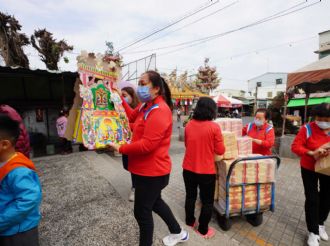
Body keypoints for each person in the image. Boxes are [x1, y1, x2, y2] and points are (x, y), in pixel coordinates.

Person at [110, 71, 188, 246]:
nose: (139, 87)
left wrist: (120, 147)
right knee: (155, 202)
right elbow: (131, 117)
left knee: (142, 212)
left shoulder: (160, 110)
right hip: (143, 170)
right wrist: (118, 98)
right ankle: (178, 232)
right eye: (139, 83)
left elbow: (147, 145)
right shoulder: (145, 106)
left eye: (143, 83)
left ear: (156, 89)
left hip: (152, 172)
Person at [182, 97, 225, 239]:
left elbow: (187, 145)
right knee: (207, 201)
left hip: (188, 168)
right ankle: (203, 229)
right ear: (212, 110)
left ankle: (189, 222)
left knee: (190, 196)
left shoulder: (189, 125)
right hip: (206, 171)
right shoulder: (214, 127)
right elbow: (220, 150)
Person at [0, 114, 42, 246]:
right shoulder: (3, 163)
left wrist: (2, 220)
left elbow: (29, 198)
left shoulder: (18, 171)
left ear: (4, 144)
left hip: (19, 231)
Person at [291, 103, 330, 246]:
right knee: (312, 198)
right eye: (320, 118)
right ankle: (313, 232)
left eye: (327, 119)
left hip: (328, 168)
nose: (323, 122)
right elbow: (295, 146)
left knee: (327, 197)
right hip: (309, 167)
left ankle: (320, 224)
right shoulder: (307, 128)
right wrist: (312, 152)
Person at [121, 86, 140, 202]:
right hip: (126, 143)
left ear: (132, 96)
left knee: (135, 168)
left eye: (124, 96)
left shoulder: (138, 109)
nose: (122, 98)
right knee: (127, 166)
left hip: (136, 144)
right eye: (121, 95)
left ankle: (135, 188)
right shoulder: (120, 108)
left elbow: (136, 125)